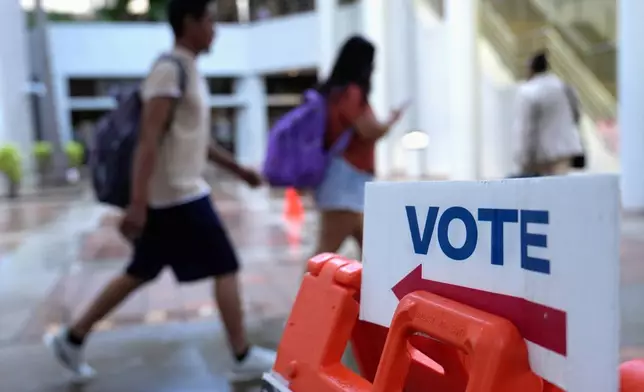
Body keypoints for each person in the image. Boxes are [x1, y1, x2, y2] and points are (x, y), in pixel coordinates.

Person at [44, 0, 276, 382]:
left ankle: (72, 338)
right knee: (226, 265)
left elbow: (194, 140)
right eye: (210, 21)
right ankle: (241, 354)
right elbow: (147, 141)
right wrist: (136, 205)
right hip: (177, 195)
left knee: (141, 270)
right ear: (189, 23)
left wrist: (238, 170)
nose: (215, 29)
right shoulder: (169, 71)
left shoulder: (188, 69)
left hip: (176, 194)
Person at [312, 36, 407, 256]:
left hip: (349, 180)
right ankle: (306, 291)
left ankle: (376, 290)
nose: (374, 67)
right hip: (346, 180)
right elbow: (368, 130)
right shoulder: (351, 93)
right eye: (372, 61)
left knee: (373, 251)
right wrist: (391, 121)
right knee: (325, 251)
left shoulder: (336, 92)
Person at [514, 51, 583, 177]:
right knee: (560, 186)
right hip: (564, 150)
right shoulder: (563, 86)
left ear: (531, 69)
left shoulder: (528, 92)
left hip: (541, 154)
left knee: (543, 191)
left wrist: (524, 157)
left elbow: (527, 128)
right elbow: (576, 115)